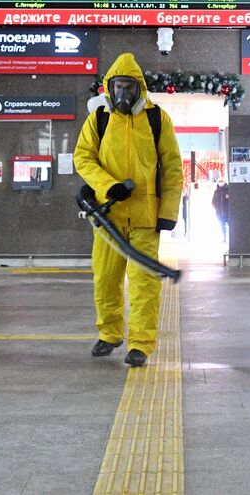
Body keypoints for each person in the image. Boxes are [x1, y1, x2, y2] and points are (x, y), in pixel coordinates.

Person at [75, 53, 183, 367]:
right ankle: (109, 334)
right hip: (108, 217)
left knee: (144, 282)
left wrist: (169, 211)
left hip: (146, 218)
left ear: (139, 89)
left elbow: (172, 168)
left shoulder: (156, 118)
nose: (123, 94)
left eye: (129, 87)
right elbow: (83, 158)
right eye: (118, 86)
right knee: (105, 279)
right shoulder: (99, 118)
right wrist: (108, 186)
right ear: (109, 88)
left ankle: (140, 344)